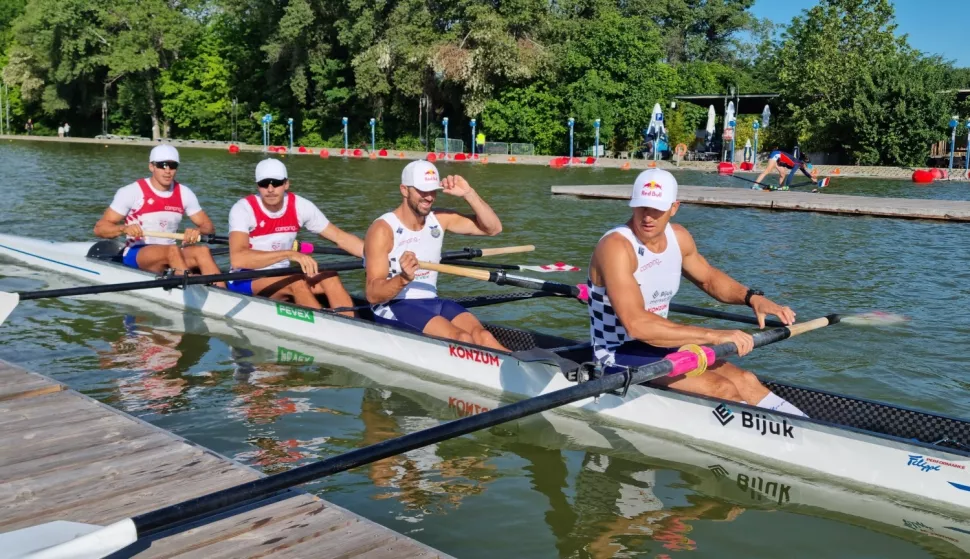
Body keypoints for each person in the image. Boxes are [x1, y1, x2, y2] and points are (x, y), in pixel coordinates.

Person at [586, 168, 806, 416]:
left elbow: (709, 279)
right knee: (721, 388)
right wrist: (715, 336)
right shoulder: (616, 247)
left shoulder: (679, 238)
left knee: (746, 380)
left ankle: (803, 432)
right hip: (617, 352)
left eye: (657, 209)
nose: (648, 217)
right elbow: (637, 325)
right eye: (642, 207)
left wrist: (752, 298)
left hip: (660, 343)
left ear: (674, 207)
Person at [364, 160, 507, 350]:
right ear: (404, 190)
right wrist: (403, 279)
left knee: (484, 336)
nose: (429, 197)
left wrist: (469, 194)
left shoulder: (439, 219)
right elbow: (373, 294)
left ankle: (522, 372)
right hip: (393, 305)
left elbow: (494, 228)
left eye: (433, 191)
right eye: (422, 191)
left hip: (432, 301)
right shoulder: (383, 229)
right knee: (462, 338)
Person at [226, 158, 363, 317]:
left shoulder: (300, 206)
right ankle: (325, 328)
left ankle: (349, 324)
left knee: (329, 274)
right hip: (244, 279)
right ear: (258, 186)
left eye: (276, 183)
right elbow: (238, 259)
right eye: (264, 184)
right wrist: (290, 254)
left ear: (286, 184)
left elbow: (340, 237)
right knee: (296, 281)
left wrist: (379, 255)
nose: (270, 189)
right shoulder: (243, 209)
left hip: (281, 275)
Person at [94, 144, 223, 285]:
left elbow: (208, 227)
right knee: (172, 250)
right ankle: (190, 285)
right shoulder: (131, 192)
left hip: (170, 252)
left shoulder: (184, 193)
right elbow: (100, 228)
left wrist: (197, 231)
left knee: (202, 251)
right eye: (162, 165)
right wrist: (123, 229)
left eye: (172, 166)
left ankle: (222, 293)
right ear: (151, 167)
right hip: (137, 252)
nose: (167, 171)